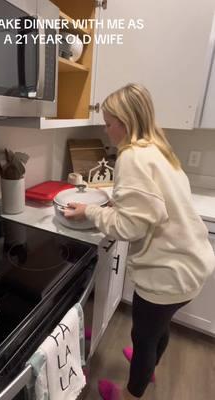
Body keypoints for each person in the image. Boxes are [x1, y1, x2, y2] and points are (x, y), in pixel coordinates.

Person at [63, 83, 215, 400]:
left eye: (108, 123)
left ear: (125, 121)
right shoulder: (158, 150)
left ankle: (133, 392)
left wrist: (90, 210)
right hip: (193, 264)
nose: (106, 130)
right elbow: (151, 206)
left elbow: (129, 227)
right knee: (158, 328)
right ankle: (149, 367)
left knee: (142, 336)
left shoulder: (131, 157)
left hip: (168, 273)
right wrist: (113, 206)